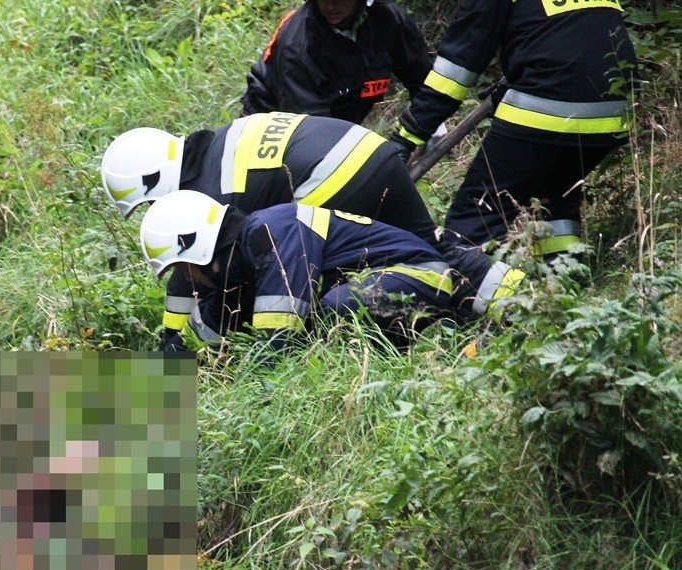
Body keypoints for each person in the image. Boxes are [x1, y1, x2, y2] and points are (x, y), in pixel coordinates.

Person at [100, 112, 458, 349]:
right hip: (371, 152)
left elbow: (195, 265)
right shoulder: (212, 149)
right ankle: (471, 304)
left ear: (154, 181)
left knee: (296, 277)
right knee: (427, 249)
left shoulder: (208, 192)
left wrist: (174, 337)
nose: (155, 212)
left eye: (148, 203)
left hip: (332, 176)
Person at [389, 0, 638, 319]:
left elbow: (457, 69)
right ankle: (565, 293)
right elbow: (576, 38)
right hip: (613, 114)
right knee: (554, 200)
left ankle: (466, 315)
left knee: (474, 221)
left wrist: (407, 136)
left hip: (547, 107)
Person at [138, 190, 453, 354]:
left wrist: (254, 395)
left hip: (419, 276)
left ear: (198, 250)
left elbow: (278, 337)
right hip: (385, 290)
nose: (189, 279)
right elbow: (207, 328)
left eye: (183, 268)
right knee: (331, 312)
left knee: (337, 309)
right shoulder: (242, 262)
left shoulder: (271, 231)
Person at [240, 0, 432, 125]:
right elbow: (309, 129)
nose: (330, 6)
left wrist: (427, 121)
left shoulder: (387, 20)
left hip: (339, 120)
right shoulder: (299, 45)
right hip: (274, 125)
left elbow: (421, 78)